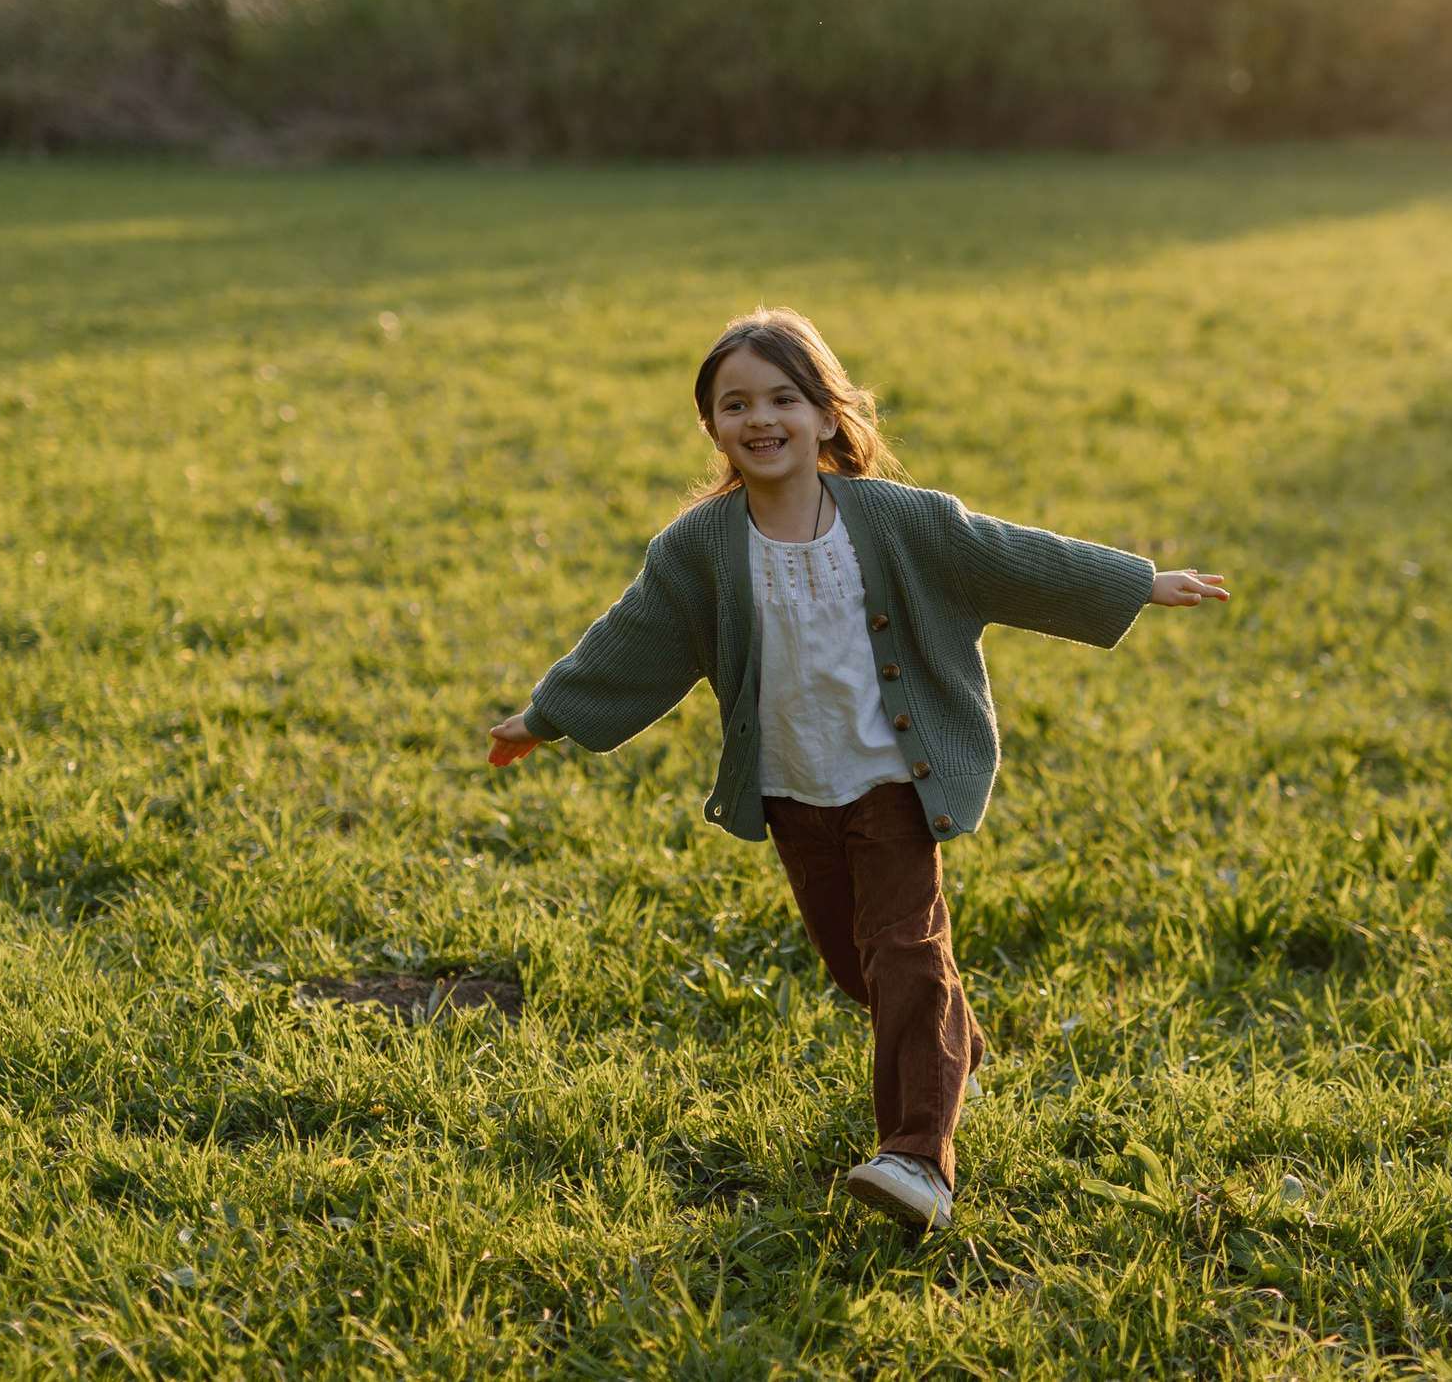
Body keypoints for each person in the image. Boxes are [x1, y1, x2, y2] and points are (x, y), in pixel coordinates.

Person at [486, 307, 1229, 1230]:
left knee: (907, 955)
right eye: (735, 403)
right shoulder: (700, 545)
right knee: (858, 967)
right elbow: (634, 639)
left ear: (829, 416)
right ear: (713, 426)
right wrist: (545, 715)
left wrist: (1135, 582)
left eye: (783, 398)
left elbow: (1008, 555)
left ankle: (917, 1158)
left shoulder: (898, 521)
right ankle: (945, 1043)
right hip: (795, 792)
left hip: (892, 780)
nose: (761, 418)